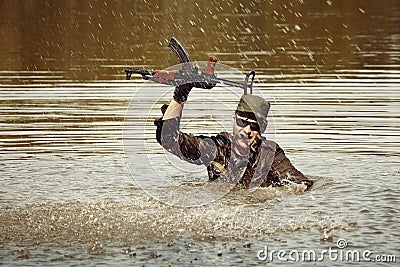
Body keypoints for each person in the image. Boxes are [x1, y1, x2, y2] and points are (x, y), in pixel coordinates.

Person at [154, 82, 313, 190]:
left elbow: (302, 185)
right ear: (233, 119)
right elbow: (168, 139)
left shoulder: (269, 154)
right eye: (242, 122)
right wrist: (181, 94)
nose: (247, 130)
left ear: (263, 128)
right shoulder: (217, 148)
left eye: (255, 125)